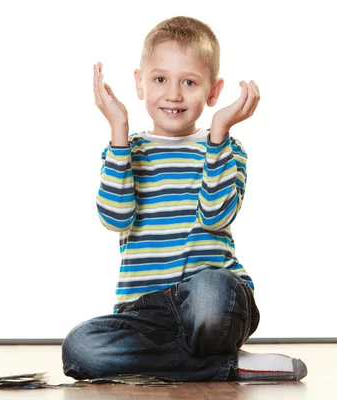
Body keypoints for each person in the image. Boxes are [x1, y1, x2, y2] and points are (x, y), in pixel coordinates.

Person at [61, 16, 307, 382]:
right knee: (80, 349)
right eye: (160, 79)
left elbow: (215, 216)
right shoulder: (124, 150)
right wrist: (118, 131)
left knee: (211, 291)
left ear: (213, 91)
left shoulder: (227, 149)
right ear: (139, 84)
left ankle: (184, 358)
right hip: (146, 312)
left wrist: (219, 136)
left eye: (189, 82)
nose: (173, 95)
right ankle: (226, 366)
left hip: (212, 301)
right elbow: (115, 217)